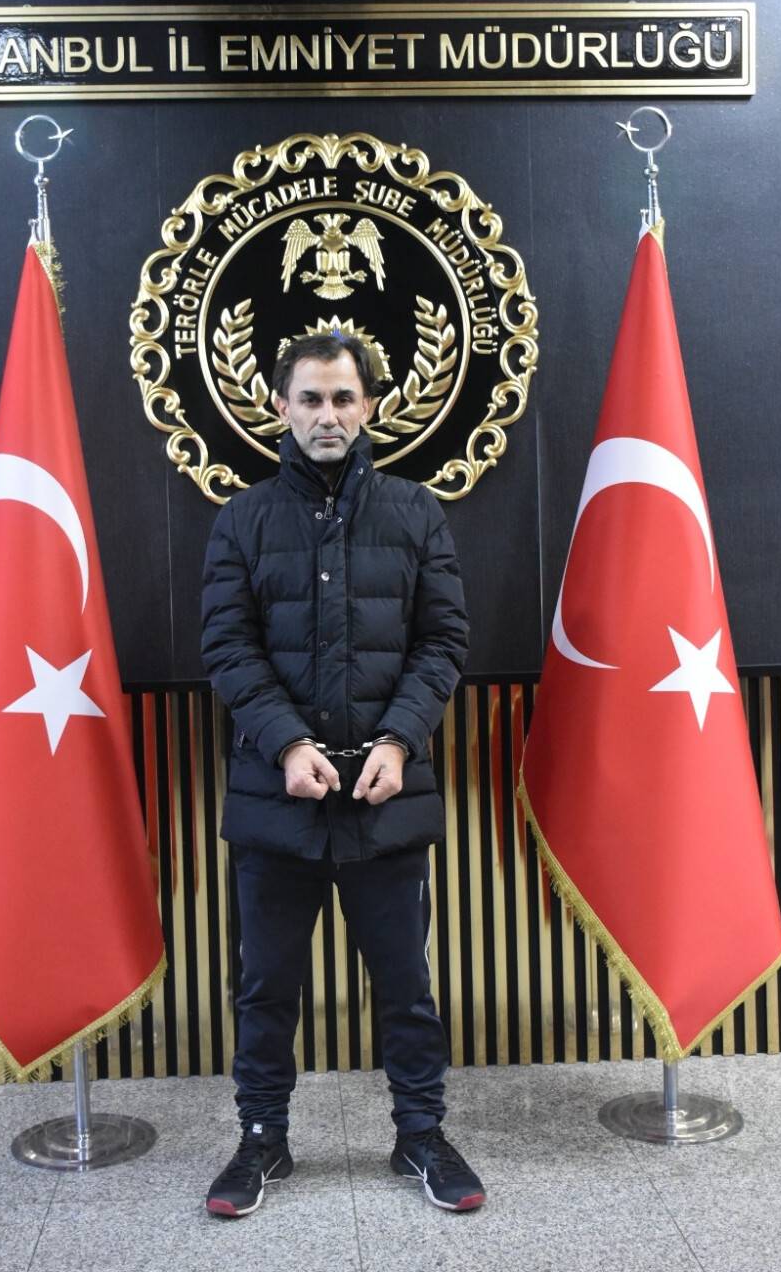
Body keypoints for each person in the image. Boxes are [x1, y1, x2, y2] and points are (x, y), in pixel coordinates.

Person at [200, 331, 483, 1216]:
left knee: (407, 985)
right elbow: (227, 646)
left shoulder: (415, 513)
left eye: (344, 399)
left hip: (385, 798)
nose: (329, 416)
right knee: (266, 988)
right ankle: (260, 1143)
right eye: (312, 399)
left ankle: (422, 1137)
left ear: (370, 407)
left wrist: (399, 740)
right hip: (275, 801)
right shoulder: (241, 521)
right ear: (281, 407)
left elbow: (443, 643)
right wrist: (287, 744)